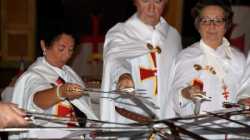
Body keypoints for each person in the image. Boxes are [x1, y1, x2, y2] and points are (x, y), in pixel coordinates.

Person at [101, 0, 182, 125]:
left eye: (157, 1)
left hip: (166, 122)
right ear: (135, 2)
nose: (151, 8)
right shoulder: (121, 32)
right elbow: (116, 59)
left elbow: (178, 76)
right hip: (131, 124)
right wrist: (123, 75)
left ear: (165, 3)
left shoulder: (173, 36)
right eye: (145, 1)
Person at [10, 29, 97, 139]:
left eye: (71, 50)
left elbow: (82, 108)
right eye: (61, 49)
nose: (66, 55)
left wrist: (89, 127)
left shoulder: (69, 72)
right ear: (43, 46)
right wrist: (60, 92)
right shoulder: (33, 75)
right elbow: (36, 100)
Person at [171, 0, 246, 117]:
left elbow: (246, 93)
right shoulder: (186, 57)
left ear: (226, 26)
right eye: (205, 20)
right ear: (198, 26)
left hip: (232, 130)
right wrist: (186, 93)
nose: (212, 25)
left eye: (218, 20)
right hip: (198, 129)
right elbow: (174, 99)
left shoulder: (239, 59)